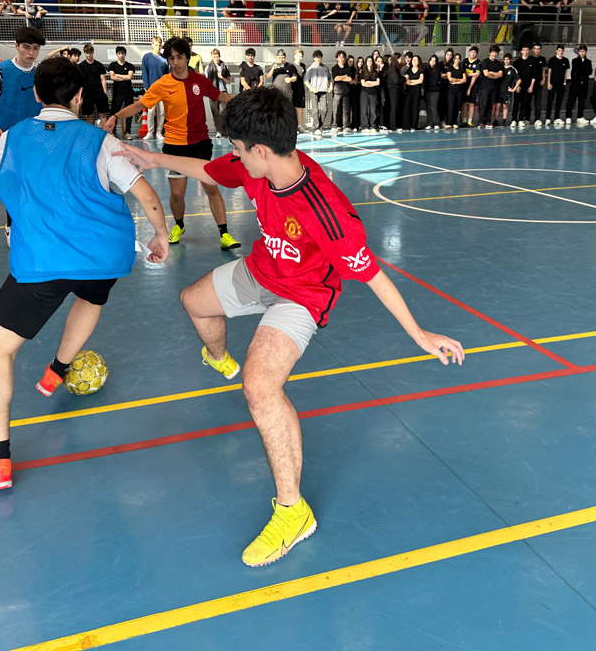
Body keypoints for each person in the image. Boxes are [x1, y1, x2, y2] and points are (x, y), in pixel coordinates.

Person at [112, 87, 465, 567]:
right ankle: (218, 358)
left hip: (301, 295)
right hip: (261, 270)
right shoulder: (254, 166)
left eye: (236, 147)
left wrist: (419, 333)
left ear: (259, 149)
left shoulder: (324, 208)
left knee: (261, 388)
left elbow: (371, 273)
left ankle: (292, 511)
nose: (231, 155)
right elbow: (208, 169)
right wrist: (150, 157)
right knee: (192, 301)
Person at [0, 57, 169, 492]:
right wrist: (160, 233)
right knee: (92, 296)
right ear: (79, 96)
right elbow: (145, 192)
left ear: (37, 95)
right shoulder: (99, 141)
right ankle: (57, 369)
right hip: (101, 256)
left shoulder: (17, 137)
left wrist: (2, 157)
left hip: (43, 261)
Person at [108, 36, 241, 251]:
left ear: (187, 58)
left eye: (180, 57)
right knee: (177, 194)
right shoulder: (163, 84)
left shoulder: (199, 80)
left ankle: (224, 233)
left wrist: (247, 101)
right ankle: (179, 225)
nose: (176, 62)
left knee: (211, 188)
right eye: (171, 58)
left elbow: (221, 96)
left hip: (200, 143)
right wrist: (116, 116)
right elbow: (140, 104)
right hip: (175, 145)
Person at [0, 26, 46, 145]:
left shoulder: (41, 72)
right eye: (26, 47)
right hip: (8, 137)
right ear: (16, 46)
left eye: (36, 48)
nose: (31, 53)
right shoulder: (0, 70)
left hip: (36, 137)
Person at [139, 36, 168, 140]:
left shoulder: (164, 59)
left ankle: (159, 132)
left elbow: (167, 74)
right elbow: (144, 73)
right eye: (156, 45)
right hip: (151, 90)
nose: (158, 47)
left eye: (160, 45)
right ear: (152, 45)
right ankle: (150, 132)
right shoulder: (147, 57)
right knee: (151, 112)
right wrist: (147, 87)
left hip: (162, 89)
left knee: (162, 112)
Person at [77, 44, 109, 126]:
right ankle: (90, 134)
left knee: (102, 114)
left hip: (99, 92)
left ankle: (105, 134)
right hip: (87, 93)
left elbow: (103, 80)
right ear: (84, 53)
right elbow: (79, 81)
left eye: (90, 53)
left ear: (93, 53)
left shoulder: (99, 65)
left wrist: (104, 93)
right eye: (87, 53)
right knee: (89, 115)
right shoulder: (81, 66)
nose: (89, 55)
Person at [204, 47, 232, 138]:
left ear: (220, 56)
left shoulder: (224, 66)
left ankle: (225, 130)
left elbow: (229, 81)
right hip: (213, 92)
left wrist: (222, 77)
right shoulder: (208, 67)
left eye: (217, 56)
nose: (216, 59)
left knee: (225, 112)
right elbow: (207, 81)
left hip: (223, 91)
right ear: (211, 57)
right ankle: (218, 131)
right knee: (215, 112)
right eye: (214, 57)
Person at [477, 46, 503, 128]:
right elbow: (486, 74)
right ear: (490, 52)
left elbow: (501, 74)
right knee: (484, 104)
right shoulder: (485, 62)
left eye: (496, 53)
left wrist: (492, 74)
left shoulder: (498, 63)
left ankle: (488, 121)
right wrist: (495, 75)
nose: (494, 54)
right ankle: (481, 121)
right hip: (485, 87)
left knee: (491, 105)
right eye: (493, 52)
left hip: (494, 87)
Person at [305, 49, 330, 135]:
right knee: (315, 111)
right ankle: (316, 127)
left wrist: (330, 86)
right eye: (316, 57)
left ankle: (320, 125)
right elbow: (305, 81)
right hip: (314, 92)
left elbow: (330, 79)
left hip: (323, 91)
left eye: (319, 57)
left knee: (325, 109)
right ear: (314, 58)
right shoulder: (311, 68)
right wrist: (311, 88)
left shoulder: (325, 68)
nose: (318, 59)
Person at [330, 50, 354, 135]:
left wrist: (342, 77)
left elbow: (350, 79)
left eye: (343, 57)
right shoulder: (334, 68)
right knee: (336, 110)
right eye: (340, 57)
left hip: (346, 92)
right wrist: (344, 76)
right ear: (337, 58)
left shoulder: (348, 68)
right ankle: (334, 126)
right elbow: (335, 78)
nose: (341, 59)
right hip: (337, 92)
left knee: (346, 110)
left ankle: (345, 126)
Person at [566, 45, 592, 124]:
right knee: (571, 101)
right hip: (575, 84)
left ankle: (580, 117)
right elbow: (576, 71)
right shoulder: (575, 60)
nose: (582, 53)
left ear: (586, 52)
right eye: (580, 51)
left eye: (583, 51)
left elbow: (589, 72)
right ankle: (568, 117)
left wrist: (583, 72)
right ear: (578, 52)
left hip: (584, 85)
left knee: (582, 101)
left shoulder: (588, 62)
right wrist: (583, 71)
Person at [545, 45, 569, 126]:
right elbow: (549, 72)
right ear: (556, 51)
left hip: (561, 85)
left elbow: (566, 72)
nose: (560, 52)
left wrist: (564, 82)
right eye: (559, 50)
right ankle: (548, 118)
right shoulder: (552, 60)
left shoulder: (566, 60)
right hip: (552, 84)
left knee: (559, 102)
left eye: (562, 50)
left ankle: (556, 118)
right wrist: (548, 83)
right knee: (550, 101)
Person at [360, 52, 381, 133]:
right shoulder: (363, 72)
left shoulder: (375, 72)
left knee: (373, 110)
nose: (369, 62)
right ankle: (364, 126)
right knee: (364, 110)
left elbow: (378, 83)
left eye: (371, 61)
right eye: (368, 61)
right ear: (366, 62)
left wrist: (368, 83)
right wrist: (372, 83)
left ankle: (373, 125)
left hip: (373, 93)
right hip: (364, 93)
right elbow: (363, 83)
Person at [403, 54, 424, 131]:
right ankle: (406, 125)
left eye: (416, 60)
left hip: (417, 91)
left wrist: (411, 82)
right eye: (413, 60)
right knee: (407, 107)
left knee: (415, 108)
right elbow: (406, 82)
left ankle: (414, 125)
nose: (414, 61)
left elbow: (421, 80)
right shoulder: (408, 70)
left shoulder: (420, 70)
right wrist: (415, 81)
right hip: (409, 91)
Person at [461, 46, 482, 127]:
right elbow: (463, 73)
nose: (473, 54)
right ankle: (464, 121)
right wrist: (472, 74)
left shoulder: (478, 63)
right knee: (464, 103)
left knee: (471, 103)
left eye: (474, 52)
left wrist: (469, 88)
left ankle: (470, 121)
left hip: (473, 86)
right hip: (464, 84)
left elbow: (475, 76)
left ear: (476, 54)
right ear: (469, 53)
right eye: (471, 52)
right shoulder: (465, 61)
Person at [445, 54, 466, 130]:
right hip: (451, 90)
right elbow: (450, 79)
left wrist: (456, 81)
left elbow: (464, 80)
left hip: (459, 90)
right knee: (451, 106)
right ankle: (449, 123)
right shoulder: (450, 68)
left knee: (457, 106)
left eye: (458, 58)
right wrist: (459, 80)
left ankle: (454, 122)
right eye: (456, 58)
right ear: (453, 59)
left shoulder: (462, 69)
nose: (457, 60)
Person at [529, 43, 548, 124]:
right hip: (530, 84)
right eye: (535, 48)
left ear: (540, 50)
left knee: (538, 102)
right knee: (528, 102)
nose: (537, 50)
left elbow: (543, 70)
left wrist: (544, 78)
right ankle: (527, 118)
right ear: (533, 50)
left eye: (538, 49)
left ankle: (537, 119)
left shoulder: (542, 59)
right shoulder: (529, 58)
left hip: (538, 84)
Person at [500, 53, 520, 127]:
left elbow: (518, 80)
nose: (506, 61)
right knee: (498, 105)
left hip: (506, 91)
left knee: (505, 106)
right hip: (499, 90)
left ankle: (504, 121)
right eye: (505, 59)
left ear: (510, 60)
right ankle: (494, 120)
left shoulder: (513, 69)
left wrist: (514, 88)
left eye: (507, 59)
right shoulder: (500, 68)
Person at [291, 48, 306, 130]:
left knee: (300, 109)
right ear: (294, 56)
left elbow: (304, 77)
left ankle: (299, 126)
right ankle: (293, 127)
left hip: (301, 89)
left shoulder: (303, 66)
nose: (299, 58)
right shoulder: (291, 66)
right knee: (294, 109)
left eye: (301, 56)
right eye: (298, 56)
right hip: (293, 90)